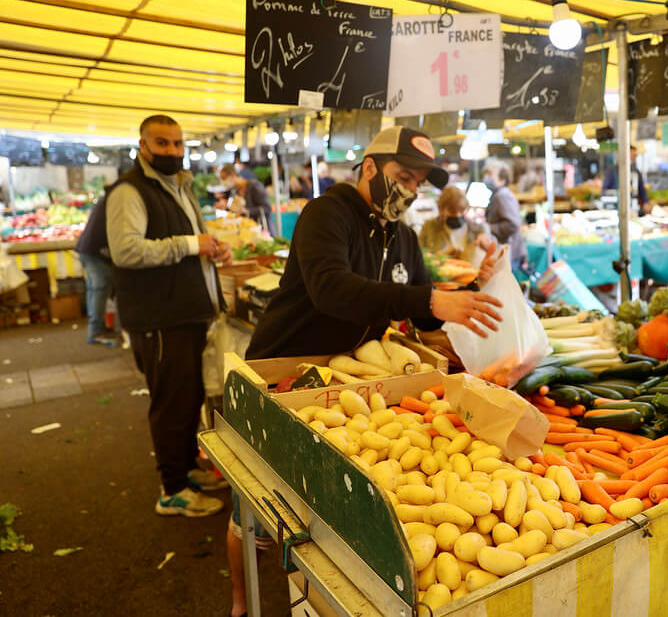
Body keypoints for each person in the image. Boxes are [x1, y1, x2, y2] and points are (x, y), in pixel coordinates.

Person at [230, 126, 503, 616]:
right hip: (283, 368)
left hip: (350, 381)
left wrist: (472, 288)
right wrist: (429, 297)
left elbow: (419, 312)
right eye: (404, 175)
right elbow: (331, 290)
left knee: (315, 511)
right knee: (255, 513)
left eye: (420, 181)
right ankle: (239, 603)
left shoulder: (404, 237)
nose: (412, 189)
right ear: (371, 167)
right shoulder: (325, 214)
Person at [106, 114, 232, 518]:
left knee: (188, 396)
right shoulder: (129, 192)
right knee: (171, 403)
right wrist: (191, 244)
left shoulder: (180, 186)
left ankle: (186, 470)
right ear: (142, 146)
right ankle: (172, 489)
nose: (172, 151)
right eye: (162, 144)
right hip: (159, 317)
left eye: (178, 144)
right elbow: (126, 250)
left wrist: (212, 249)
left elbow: (193, 242)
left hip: (186, 313)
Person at [74, 194, 118, 347]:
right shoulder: (117, 199)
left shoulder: (110, 197)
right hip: (94, 251)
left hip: (88, 248)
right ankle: (95, 331)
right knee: (99, 289)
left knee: (95, 289)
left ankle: (97, 328)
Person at [419, 185, 489, 262]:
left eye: (461, 210)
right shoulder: (429, 227)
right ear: (441, 210)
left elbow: (494, 252)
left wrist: (487, 242)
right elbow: (419, 256)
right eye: (452, 212)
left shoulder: (479, 229)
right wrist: (440, 256)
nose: (458, 215)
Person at [483, 160, 527, 272]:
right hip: (507, 249)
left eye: (490, 175)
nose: (486, 178)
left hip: (508, 250)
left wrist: (488, 227)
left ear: (502, 180)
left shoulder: (502, 196)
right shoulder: (499, 194)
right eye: (486, 174)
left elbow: (512, 224)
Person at [218, 164, 276, 236]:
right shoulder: (235, 191)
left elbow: (267, 208)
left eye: (224, 178)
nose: (223, 182)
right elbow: (236, 211)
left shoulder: (254, 186)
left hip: (262, 232)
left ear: (232, 175)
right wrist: (226, 207)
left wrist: (247, 211)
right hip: (247, 233)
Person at [602, 145, 651, 214]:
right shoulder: (612, 171)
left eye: (635, 155)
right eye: (633, 155)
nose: (634, 157)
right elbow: (604, 191)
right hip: (614, 209)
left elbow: (642, 190)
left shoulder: (636, 172)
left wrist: (645, 202)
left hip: (632, 209)